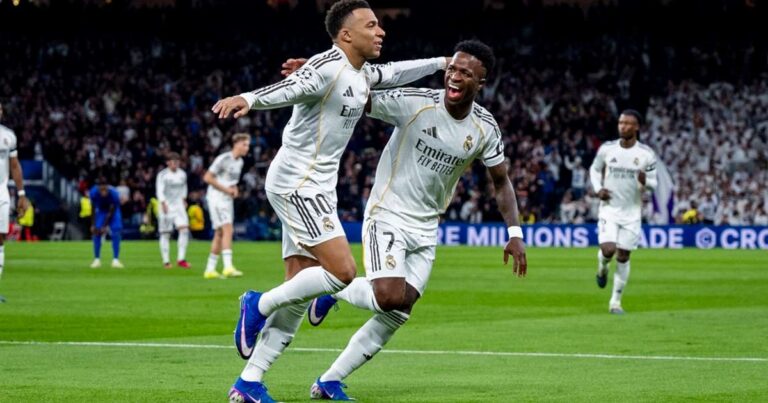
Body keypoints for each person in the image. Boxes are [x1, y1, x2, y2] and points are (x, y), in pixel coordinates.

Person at [213, 1, 449, 401]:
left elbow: (395, 72)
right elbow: (290, 88)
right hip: (297, 185)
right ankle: (257, 303)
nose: (381, 31)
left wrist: (443, 61)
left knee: (298, 288)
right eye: (371, 25)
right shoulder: (326, 66)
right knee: (341, 271)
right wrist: (248, 99)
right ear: (346, 34)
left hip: (318, 188)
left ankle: (248, 383)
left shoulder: (359, 72)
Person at [303, 40, 527, 400]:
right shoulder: (416, 103)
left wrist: (514, 232)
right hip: (388, 213)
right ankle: (337, 288)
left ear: (481, 82)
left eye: (465, 73)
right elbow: (360, 95)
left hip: (427, 226)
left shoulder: (485, 127)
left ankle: (329, 380)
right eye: (452, 69)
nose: (454, 76)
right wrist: (324, 74)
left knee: (400, 310)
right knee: (390, 296)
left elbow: (501, 181)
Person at [590, 109, 658, 314]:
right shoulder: (607, 149)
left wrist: (646, 182)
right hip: (609, 209)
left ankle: (615, 302)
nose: (623, 126)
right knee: (609, 250)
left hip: (632, 213)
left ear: (636, 127)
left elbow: (654, 184)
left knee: (624, 256)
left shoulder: (646, 154)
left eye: (628, 123)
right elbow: (594, 169)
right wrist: (598, 189)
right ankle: (602, 268)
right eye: (621, 123)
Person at [203, 133, 250, 279]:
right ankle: (228, 267)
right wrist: (226, 190)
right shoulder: (223, 159)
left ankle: (210, 269)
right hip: (216, 197)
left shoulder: (240, 162)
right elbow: (207, 177)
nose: (247, 148)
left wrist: (234, 189)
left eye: (248, 145)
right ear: (236, 144)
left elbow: (231, 181)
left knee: (220, 233)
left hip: (226, 198)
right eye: (244, 144)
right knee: (227, 228)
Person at [0, 102, 29, 303]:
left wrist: (21, 193)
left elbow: (15, 166)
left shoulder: (8, 136)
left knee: (1, 238)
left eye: (0, 108)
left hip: (1, 191)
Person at [156, 152, 191, 269]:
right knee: (166, 234)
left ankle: (181, 259)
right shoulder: (163, 175)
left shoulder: (182, 174)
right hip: (166, 206)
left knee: (184, 230)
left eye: (177, 162)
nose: (175, 164)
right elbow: (159, 190)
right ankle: (166, 261)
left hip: (179, 206)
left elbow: (184, 187)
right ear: (168, 163)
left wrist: (184, 199)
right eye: (173, 162)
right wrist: (163, 202)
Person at [89, 177, 124, 269]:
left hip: (113, 212)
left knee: (116, 232)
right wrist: (93, 224)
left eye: (105, 189)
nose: (103, 192)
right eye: (101, 189)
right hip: (100, 211)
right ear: (98, 188)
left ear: (108, 187)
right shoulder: (93, 192)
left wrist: (104, 226)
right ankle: (97, 260)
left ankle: (115, 260)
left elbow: (111, 211)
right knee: (96, 232)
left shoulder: (114, 194)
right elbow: (92, 208)